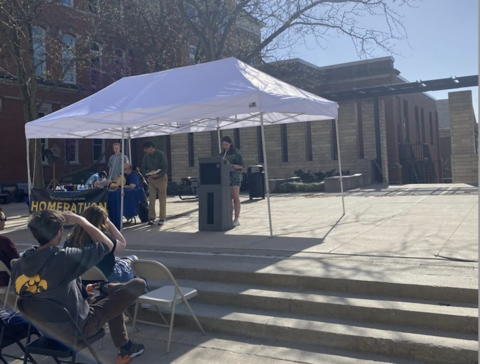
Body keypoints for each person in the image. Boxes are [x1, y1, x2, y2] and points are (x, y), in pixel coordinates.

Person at [11, 209, 145, 364]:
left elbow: (46, 292)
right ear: (59, 232)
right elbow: (107, 244)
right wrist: (82, 220)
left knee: (107, 299)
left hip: (45, 329)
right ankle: (105, 289)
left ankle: (125, 346)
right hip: (77, 329)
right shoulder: (63, 258)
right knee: (138, 284)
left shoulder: (19, 264)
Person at [64, 205, 137, 283]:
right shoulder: (104, 238)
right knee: (133, 259)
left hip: (82, 277)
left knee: (119, 259)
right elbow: (122, 244)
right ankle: (141, 289)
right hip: (107, 277)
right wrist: (109, 222)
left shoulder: (71, 238)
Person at [141, 141, 168, 226]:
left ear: (151, 147)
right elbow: (144, 168)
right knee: (151, 199)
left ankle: (162, 218)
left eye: (146, 149)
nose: (146, 151)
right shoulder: (146, 157)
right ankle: (151, 218)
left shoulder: (160, 154)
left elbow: (164, 167)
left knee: (162, 199)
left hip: (161, 178)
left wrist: (158, 173)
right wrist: (149, 173)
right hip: (151, 179)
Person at [221, 136, 244, 227]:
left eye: (226, 144)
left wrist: (232, 166)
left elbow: (242, 166)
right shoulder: (222, 154)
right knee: (228, 199)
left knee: (235, 197)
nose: (225, 146)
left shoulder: (236, 153)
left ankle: (236, 218)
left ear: (230, 144)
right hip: (226, 178)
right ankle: (229, 218)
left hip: (235, 177)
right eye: (223, 145)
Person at [0, 208, 20, 286]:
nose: (5, 222)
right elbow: (18, 262)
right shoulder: (5, 242)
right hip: (5, 281)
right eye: (3, 219)